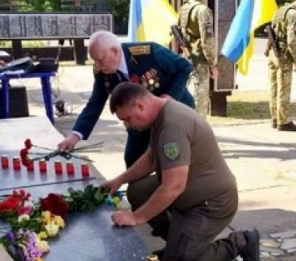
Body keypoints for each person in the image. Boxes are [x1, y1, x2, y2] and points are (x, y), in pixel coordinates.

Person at [103, 82, 260, 261]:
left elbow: (173, 186)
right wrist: (119, 180)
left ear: (140, 105)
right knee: (137, 192)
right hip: (190, 191)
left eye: (127, 118)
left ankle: (240, 242)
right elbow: (151, 159)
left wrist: (136, 217)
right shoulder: (162, 111)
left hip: (211, 203)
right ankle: (180, 245)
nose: (127, 124)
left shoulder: (171, 125)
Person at [57, 31, 194, 167]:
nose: (97, 65)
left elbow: (185, 66)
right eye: (94, 60)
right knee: (132, 160)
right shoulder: (102, 72)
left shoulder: (149, 53)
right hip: (138, 123)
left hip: (174, 113)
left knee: (173, 161)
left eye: (100, 59)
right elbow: (95, 104)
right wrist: (74, 136)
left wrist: (171, 96)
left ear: (115, 51)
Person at [175, 0, 218, 115]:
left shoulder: (184, 8)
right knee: (200, 98)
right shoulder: (203, 11)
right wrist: (213, 63)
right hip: (199, 60)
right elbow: (208, 41)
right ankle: (197, 132)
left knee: (190, 94)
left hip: (187, 57)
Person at [267, 0, 296, 131]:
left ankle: (275, 118)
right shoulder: (293, 14)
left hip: (273, 53)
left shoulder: (280, 11)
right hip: (283, 56)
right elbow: (292, 40)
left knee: (273, 87)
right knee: (283, 89)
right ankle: (283, 121)